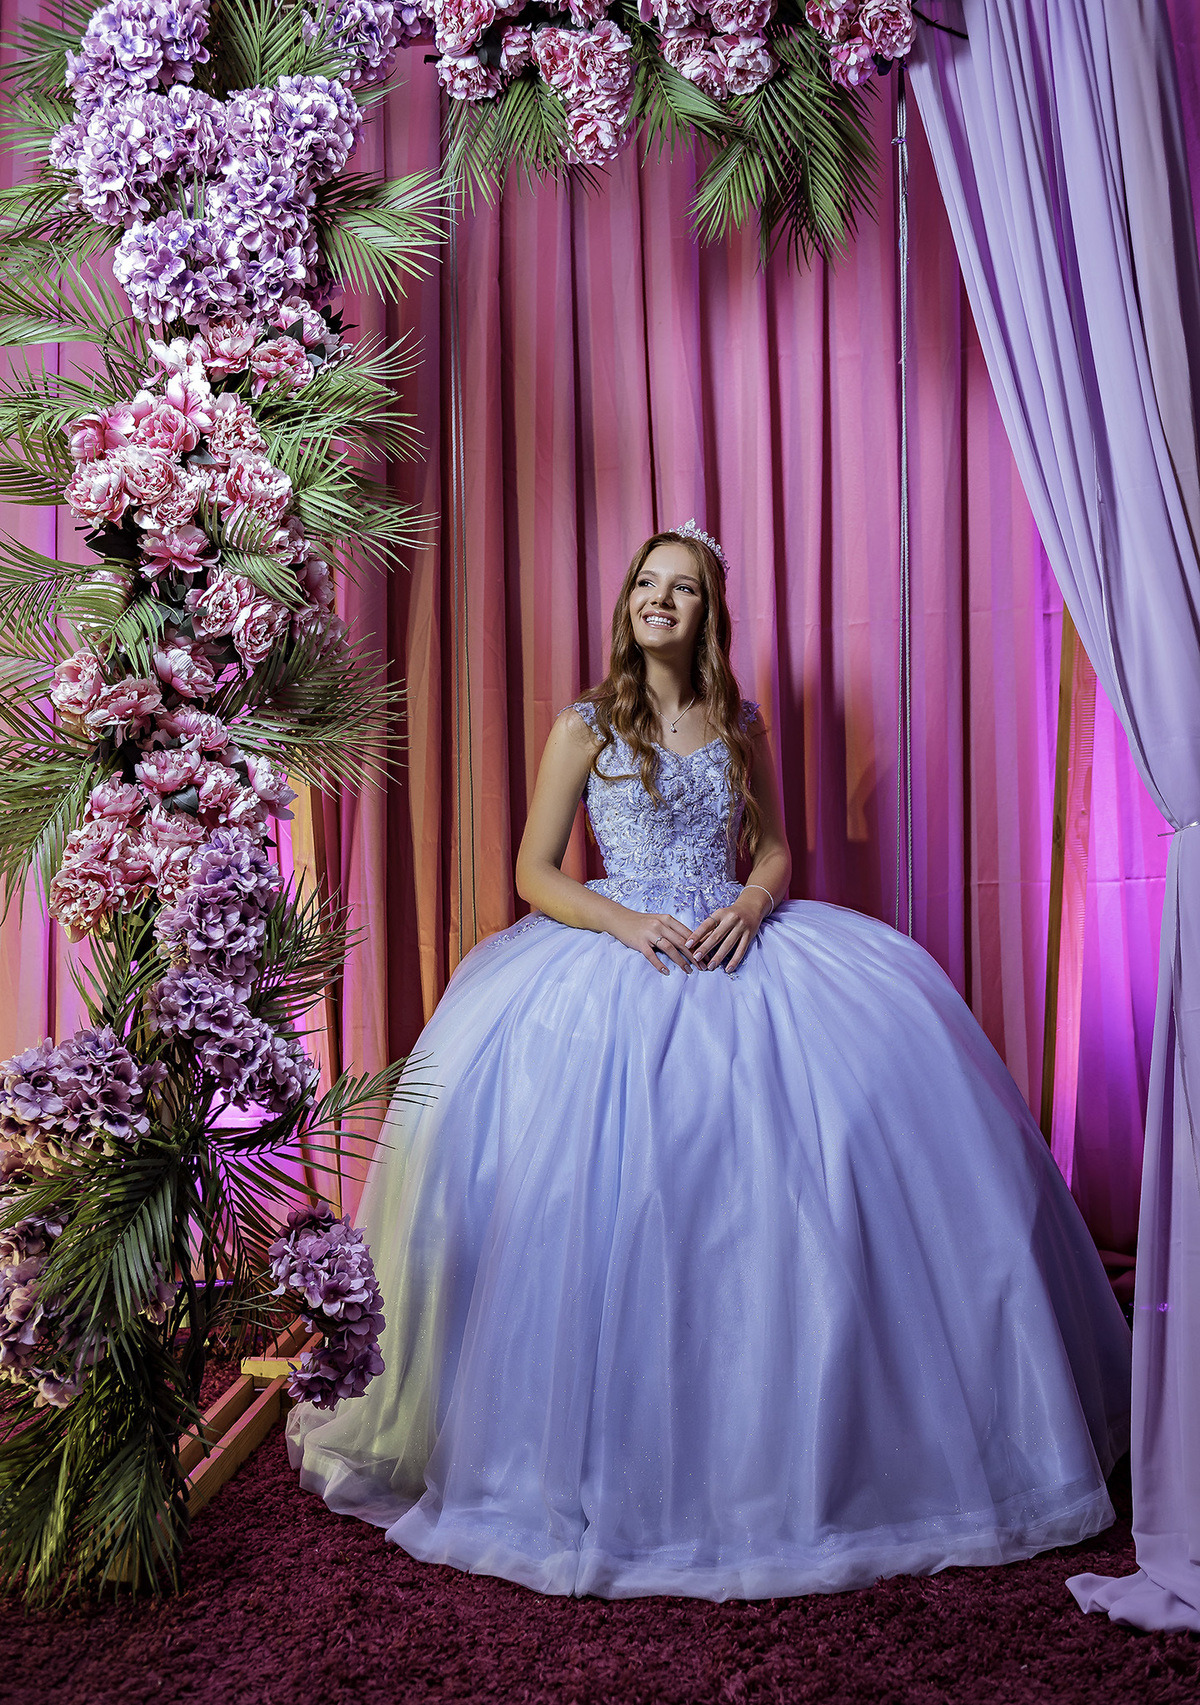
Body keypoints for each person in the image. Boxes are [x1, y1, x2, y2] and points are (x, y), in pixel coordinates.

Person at [287, 524, 1132, 1602]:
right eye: (647, 582)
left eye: (681, 589)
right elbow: (533, 870)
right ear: (627, 600)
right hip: (615, 953)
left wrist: (749, 900)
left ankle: (807, 1439)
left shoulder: (738, 721)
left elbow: (775, 844)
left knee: (804, 1174)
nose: (659, 600)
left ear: (708, 614)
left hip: (739, 944)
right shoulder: (585, 726)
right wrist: (622, 920)